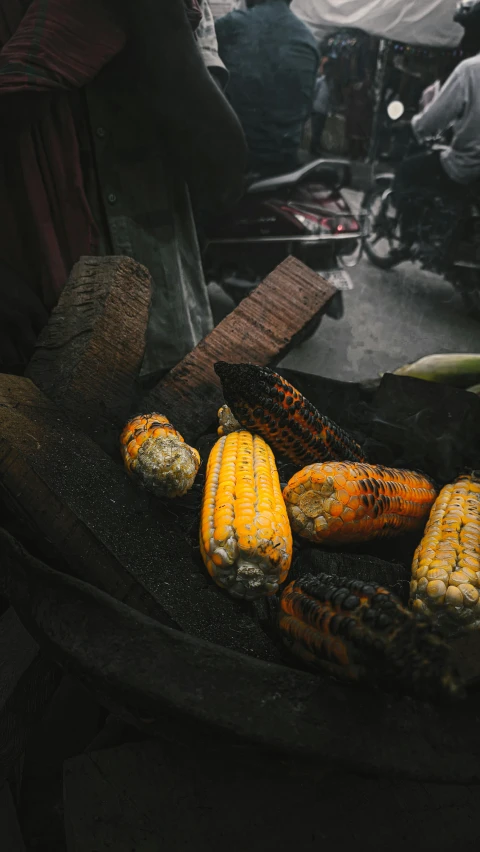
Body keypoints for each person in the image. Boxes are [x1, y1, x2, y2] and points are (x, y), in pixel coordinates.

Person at [0, 0, 246, 381]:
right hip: (37, 349)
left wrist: (161, 25)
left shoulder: (181, 8)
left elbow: (221, 180)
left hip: (167, 341)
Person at [394, 0, 480, 247]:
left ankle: (408, 239)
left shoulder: (470, 70)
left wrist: (413, 127)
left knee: (408, 171)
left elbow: (434, 119)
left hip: (467, 165)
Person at [215, 0, 319, 176]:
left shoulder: (230, 26)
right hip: (284, 165)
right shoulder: (309, 41)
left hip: (230, 163)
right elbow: (305, 109)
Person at [310, 58, 332, 156]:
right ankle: (313, 149)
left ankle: (316, 147)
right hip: (317, 109)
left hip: (324, 110)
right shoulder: (319, 81)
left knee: (319, 130)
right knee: (316, 130)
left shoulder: (330, 83)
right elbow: (313, 93)